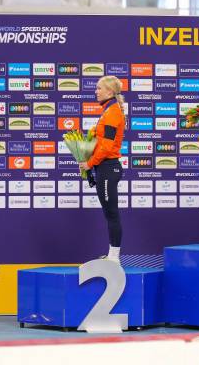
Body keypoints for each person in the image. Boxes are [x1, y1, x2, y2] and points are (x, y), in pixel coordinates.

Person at [79, 76, 125, 263]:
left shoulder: (113, 113)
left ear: (110, 92)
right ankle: (112, 255)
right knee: (109, 213)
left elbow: (106, 147)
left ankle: (114, 258)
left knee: (111, 213)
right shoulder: (108, 111)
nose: (96, 91)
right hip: (104, 168)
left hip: (109, 167)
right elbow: (101, 144)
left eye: (99, 88)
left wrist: (89, 164)